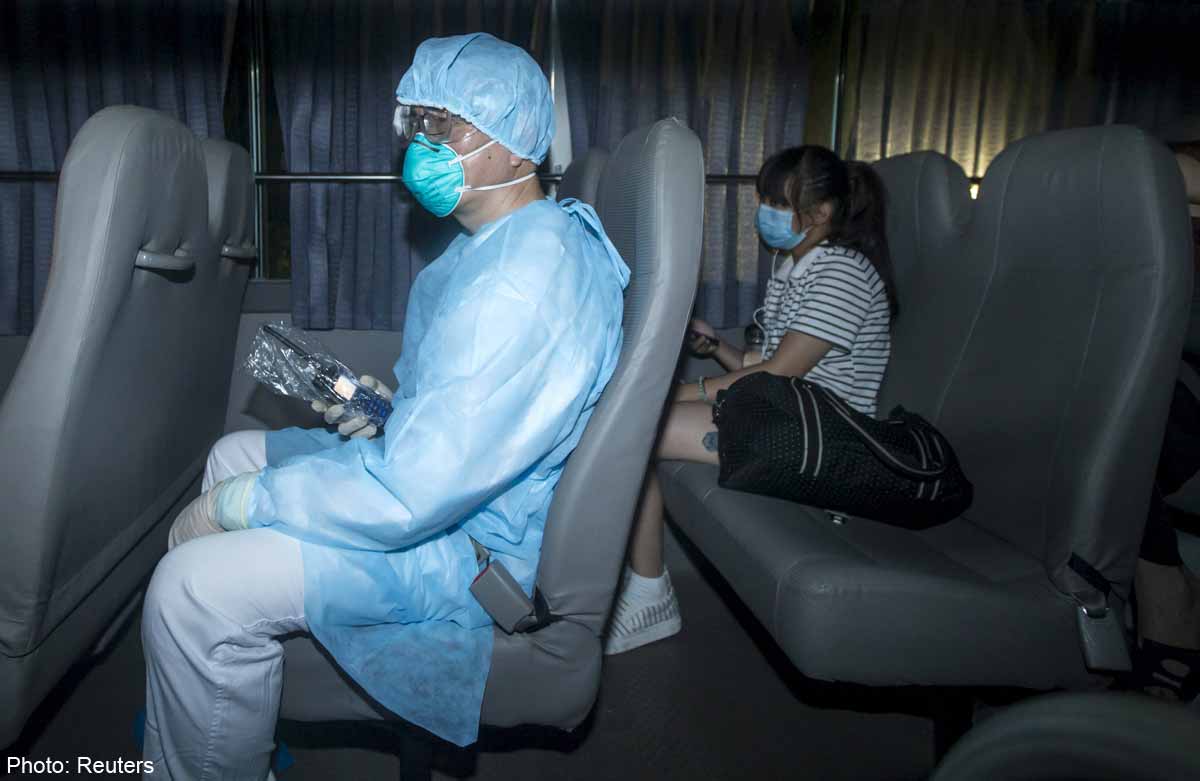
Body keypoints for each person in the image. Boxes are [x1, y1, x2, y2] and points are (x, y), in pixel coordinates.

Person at [142, 32, 629, 779]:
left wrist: (246, 505)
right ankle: (229, 712)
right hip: (450, 496)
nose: (422, 146)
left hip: (467, 550)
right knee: (231, 453)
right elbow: (467, 411)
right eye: (418, 123)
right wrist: (391, 409)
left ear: (516, 147)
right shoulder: (504, 243)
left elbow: (409, 493)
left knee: (189, 588)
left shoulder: (522, 280)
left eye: (447, 126)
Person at [603, 145, 896, 655]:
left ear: (820, 213)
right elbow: (768, 368)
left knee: (639, 425)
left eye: (778, 203)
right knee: (635, 421)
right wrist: (718, 347)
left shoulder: (842, 273)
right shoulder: (797, 267)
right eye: (764, 199)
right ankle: (640, 580)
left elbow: (780, 374)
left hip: (829, 437)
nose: (765, 212)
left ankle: (651, 595)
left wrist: (677, 392)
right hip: (791, 413)